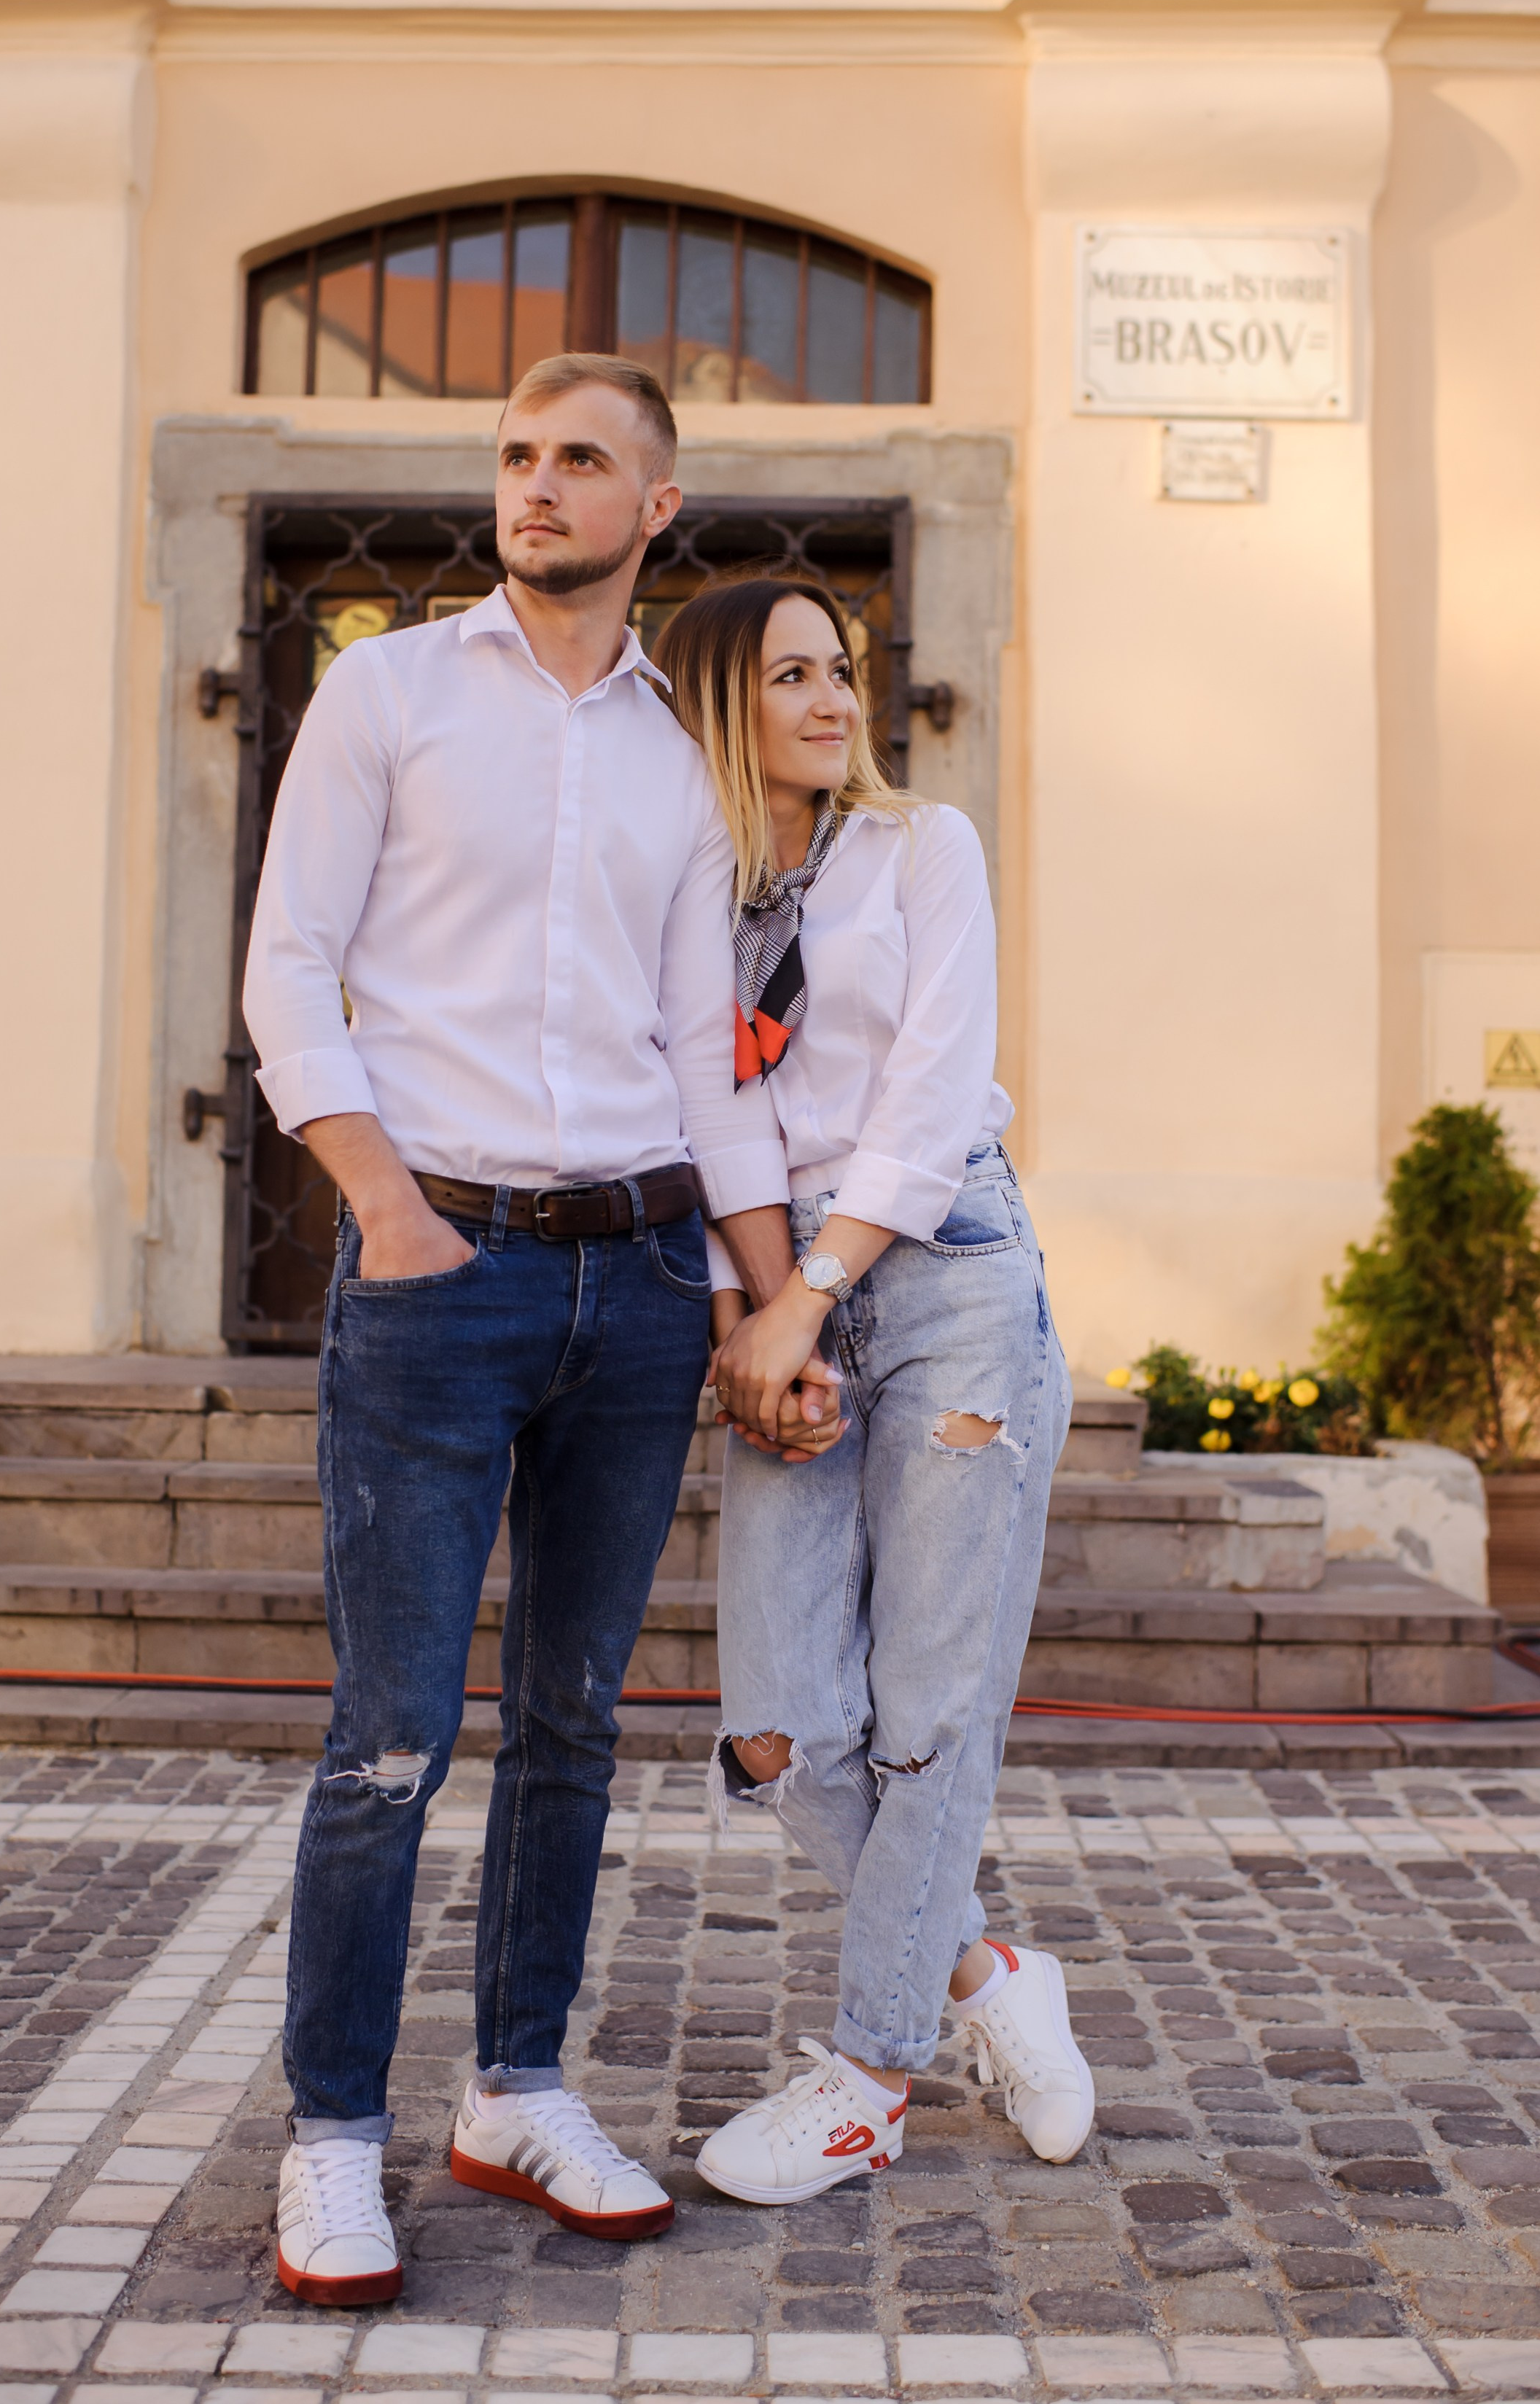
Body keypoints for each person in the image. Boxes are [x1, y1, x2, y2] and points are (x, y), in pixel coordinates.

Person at [241, 358, 833, 2303]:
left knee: (572, 1722)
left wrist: (761, 1296)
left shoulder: (683, 746)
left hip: (640, 1282)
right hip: (440, 1270)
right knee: (393, 1734)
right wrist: (382, 1202)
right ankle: (335, 2134)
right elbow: (289, 967)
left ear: (656, 505)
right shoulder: (387, 692)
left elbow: (700, 1051)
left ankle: (514, 2089)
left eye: (581, 459)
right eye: (516, 456)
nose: (537, 484)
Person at [656, 572, 1092, 2207]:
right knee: (777, 1725)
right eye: (790, 675)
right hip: (783, 1279)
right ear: (720, 702)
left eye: (840, 669)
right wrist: (757, 1318)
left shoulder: (925, 849)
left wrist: (808, 1298)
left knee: (930, 1704)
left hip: (946, 1266)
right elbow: (709, 1111)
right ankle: (985, 1971)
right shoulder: (688, 891)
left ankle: (869, 2074)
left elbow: (927, 1089)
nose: (835, 699)